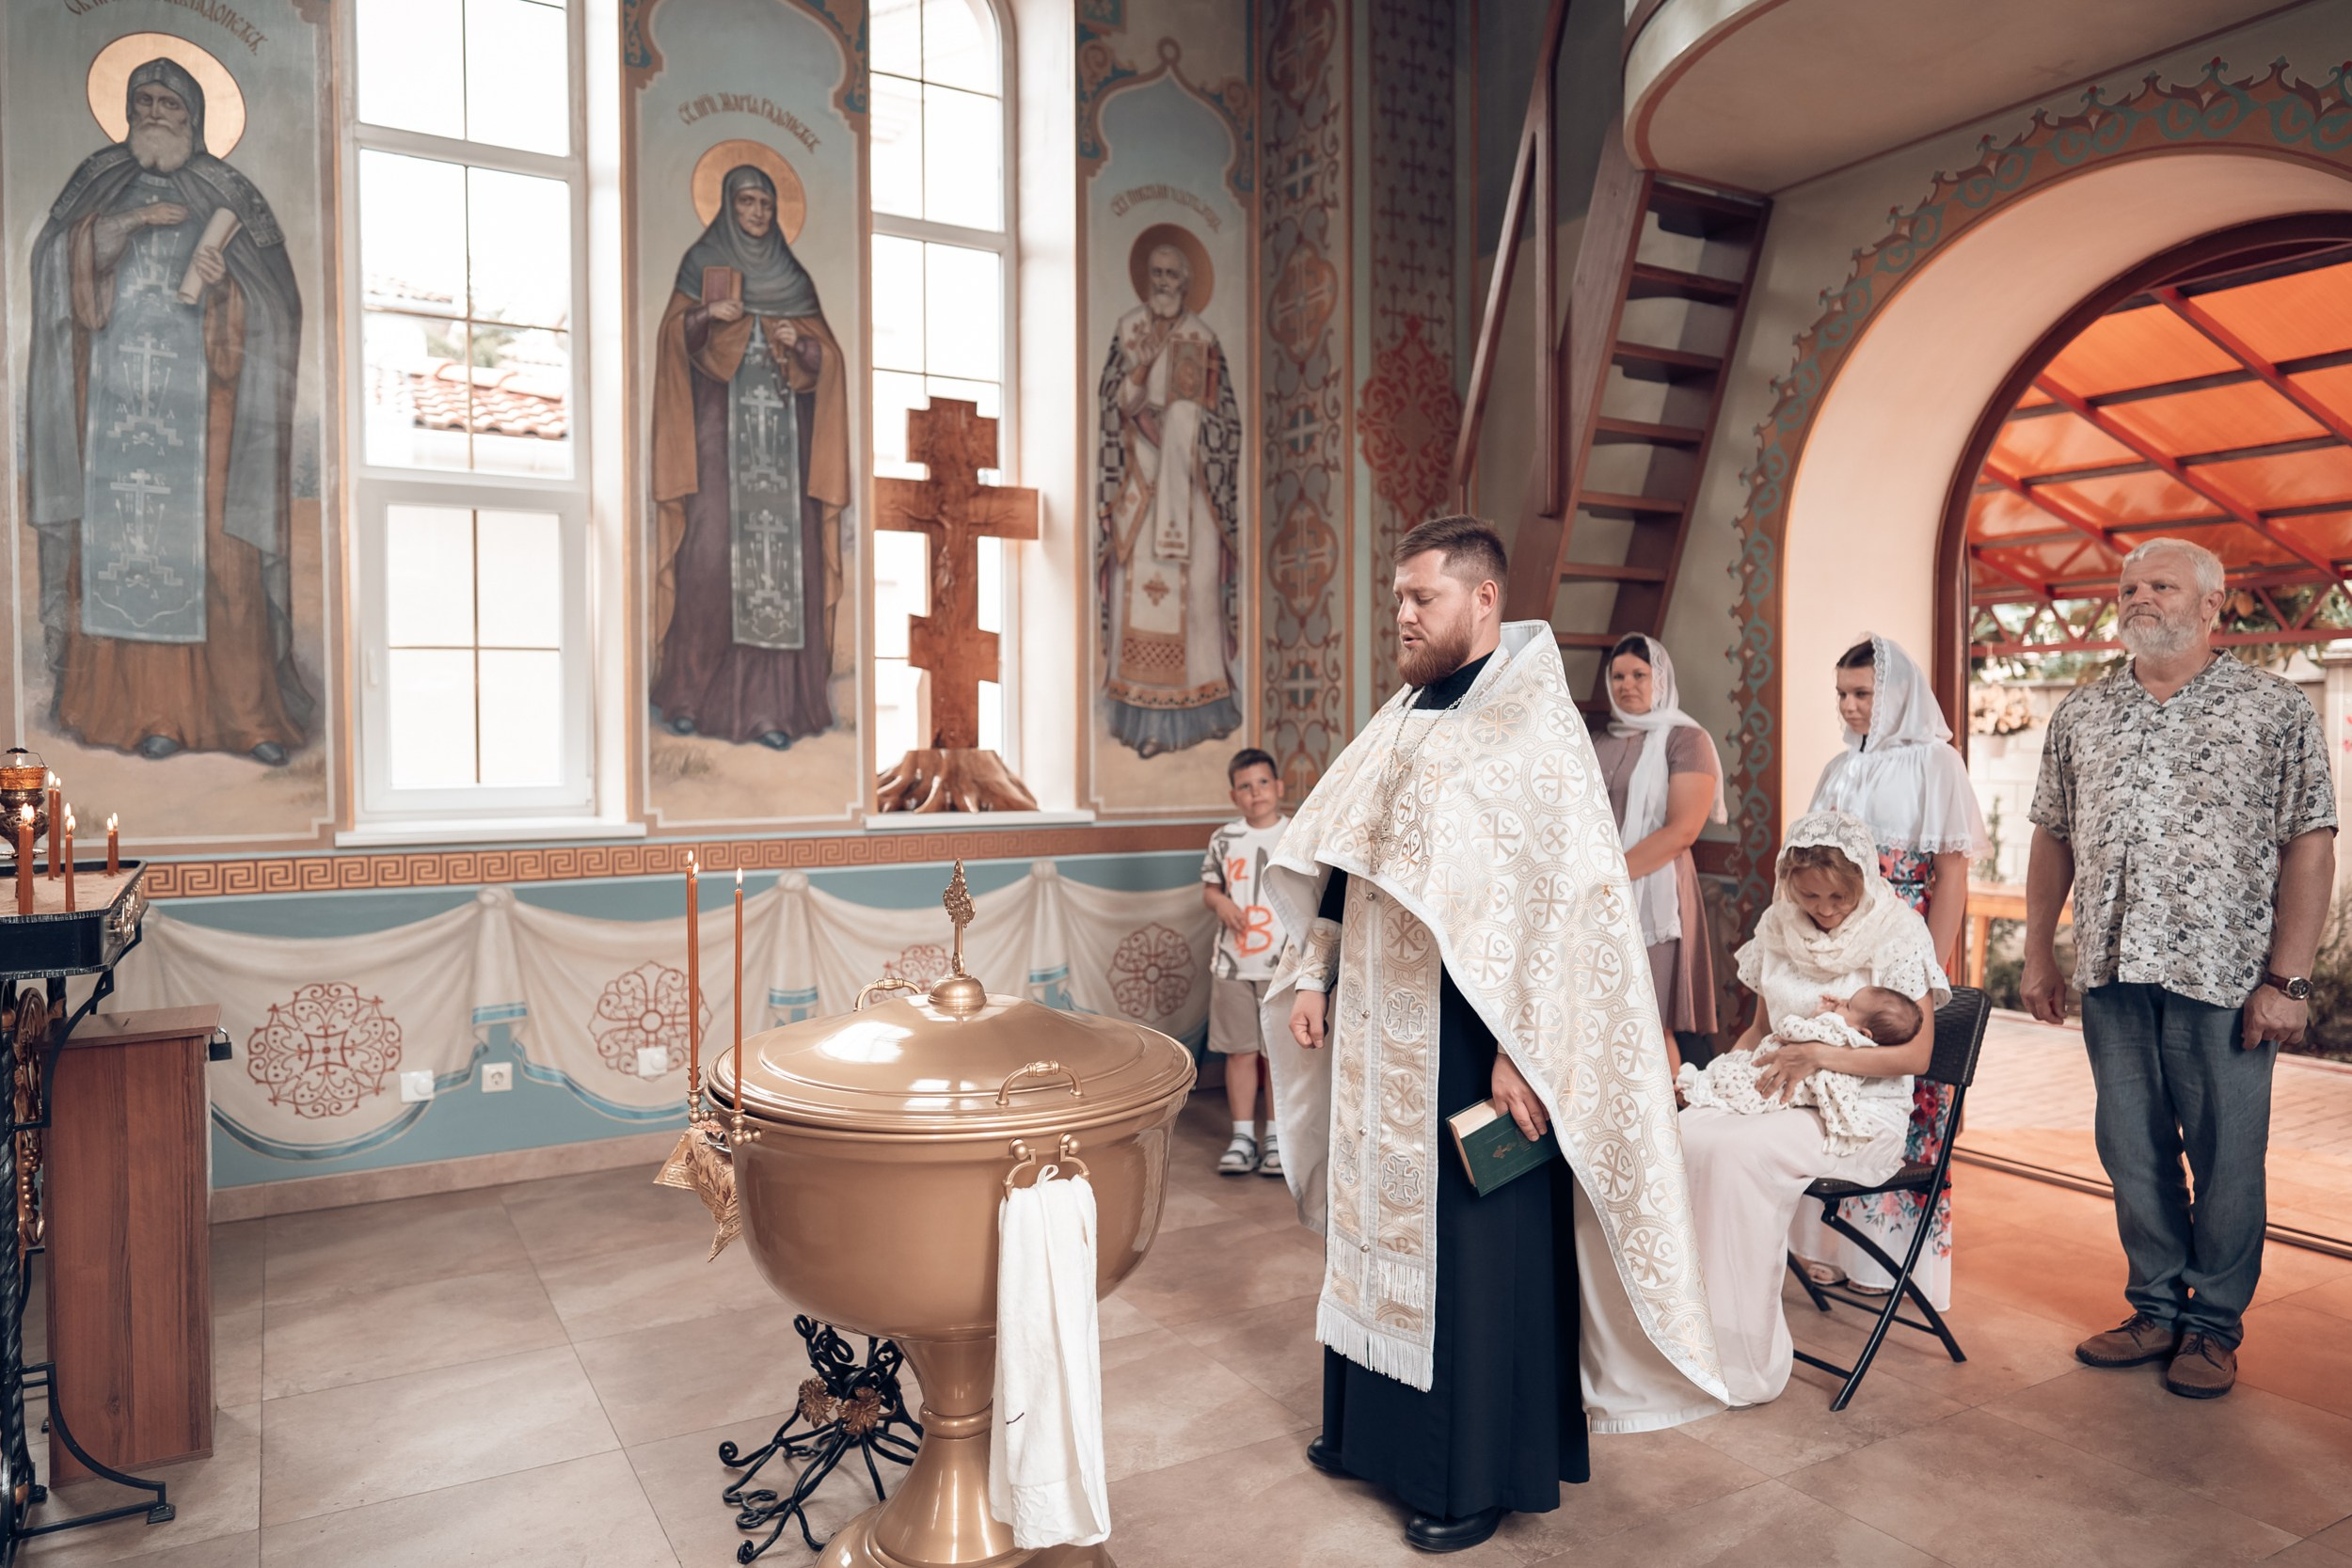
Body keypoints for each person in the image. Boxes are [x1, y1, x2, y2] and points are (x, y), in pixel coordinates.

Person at [1260, 515, 1724, 1554]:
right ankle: (1367, 1432)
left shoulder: (1534, 727)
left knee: (1471, 1249)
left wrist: (1528, 1044)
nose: (1403, 616)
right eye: (1396, 599)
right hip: (1385, 1018)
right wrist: (1315, 967)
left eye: (1421, 598)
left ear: (1482, 600)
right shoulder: (1403, 711)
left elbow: (1563, 896)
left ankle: (1469, 1472)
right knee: (1379, 1221)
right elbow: (1346, 854)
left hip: (1479, 1033)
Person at [2023, 537, 2336, 1401]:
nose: (2138, 597)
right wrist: (2041, 948)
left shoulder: (2274, 710)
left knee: (2230, 1156)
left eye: (2161, 584)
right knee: (2131, 1149)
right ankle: (2156, 1307)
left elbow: (2309, 843)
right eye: (2128, 586)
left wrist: (2292, 979)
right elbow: (2051, 833)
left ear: (2211, 605)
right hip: (2113, 970)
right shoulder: (2080, 714)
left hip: (2227, 978)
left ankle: (2213, 1327)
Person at [25, 57, 312, 765]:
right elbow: (52, 264)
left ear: (195, 116)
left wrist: (225, 292)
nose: (155, 113)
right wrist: (116, 229)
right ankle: (143, 714)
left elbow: (279, 302)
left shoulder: (230, 192)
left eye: (170, 104)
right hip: (112, 411)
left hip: (211, 415)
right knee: (130, 550)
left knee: (223, 557)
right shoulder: (99, 180)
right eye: (143, 100)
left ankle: (244, 716)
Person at [1681, 811, 1949, 1406]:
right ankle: (1677, 1333)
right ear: (1787, 884)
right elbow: (1756, 1030)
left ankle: (1736, 1353)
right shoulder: (1777, 928)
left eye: (1838, 897)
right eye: (1810, 896)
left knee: (1735, 1154)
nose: (1825, 909)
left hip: (1858, 1113)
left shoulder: (1897, 932)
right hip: (1777, 1086)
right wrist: (1719, 1080)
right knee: (1684, 1133)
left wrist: (1821, 1058)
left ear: (1862, 882)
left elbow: (1920, 1052)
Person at [1791, 633, 1985, 1307]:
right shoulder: (1836, 768)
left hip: (1901, 944)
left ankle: (1888, 1256)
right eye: (1842, 694)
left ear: (1896, 693)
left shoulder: (1937, 763)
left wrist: (1926, 968)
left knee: (1900, 1084)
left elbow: (1952, 874)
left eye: (1862, 694)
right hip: (1839, 942)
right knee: (1832, 1080)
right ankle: (1825, 1244)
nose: (1848, 706)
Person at [649, 164, 852, 749]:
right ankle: (689, 695)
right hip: (720, 457)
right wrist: (703, 318)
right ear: (726, 207)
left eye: (766, 203)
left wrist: (804, 345)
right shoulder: (701, 265)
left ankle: (773, 711)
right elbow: (670, 341)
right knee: (710, 561)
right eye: (748, 202)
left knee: (783, 576)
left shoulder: (795, 279)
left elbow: (829, 364)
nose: (759, 213)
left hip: (784, 463)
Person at [1095, 234, 1243, 757]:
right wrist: (1140, 398)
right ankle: (1141, 721)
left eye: (1172, 276)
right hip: (1139, 483)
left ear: (1186, 284)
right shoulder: (1129, 332)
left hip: (1190, 488)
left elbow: (1227, 421)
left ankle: (1203, 710)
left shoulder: (1202, 339)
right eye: (1155, 274)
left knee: (1197, 594)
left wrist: (1187, 427)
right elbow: (1112, 404)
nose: (1162, 283)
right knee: (1134, 588)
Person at [1594, 635, 1727, 1073]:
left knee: (1653, 1018)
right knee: (1603, 1012)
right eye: (1618, 676)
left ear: (1661, 679)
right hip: (1600, 888)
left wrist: (1609, 876)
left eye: (1639, 675)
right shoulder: (1599, 741)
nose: (1627, 684)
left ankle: (1668, 1130)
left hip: (1655, 888)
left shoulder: (1687, 739)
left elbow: (1683, 830)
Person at [1677, 986, 1924, 1148]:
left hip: (1779, 1085)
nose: (1842, 1002)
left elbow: (1790, 1028)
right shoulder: (1855, 1041)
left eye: (1848, 1005)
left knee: (1741, 1084)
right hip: (1779, 1077)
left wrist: (1816, 1016)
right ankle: (1698, 1089)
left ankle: (1698, 1088)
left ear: (1863, 1031)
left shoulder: (1839, 1033)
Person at [1201, 747, 1289, 1177]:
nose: (1256, 793)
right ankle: (1242, 1136)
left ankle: (1275, 1135)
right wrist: (1221, 906)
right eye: (1245, 787)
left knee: (1276, 1054)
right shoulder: (1224, 839)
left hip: (1283, 966)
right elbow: (1210, 889)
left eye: (1263, 783)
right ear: (1234, 795)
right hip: (1234, 966)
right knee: (1239, 1051)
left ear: (1279, 787)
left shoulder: (1297, 834)